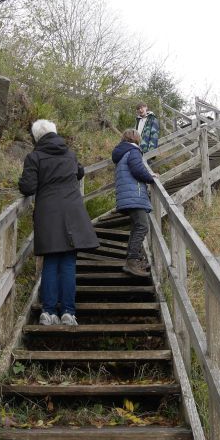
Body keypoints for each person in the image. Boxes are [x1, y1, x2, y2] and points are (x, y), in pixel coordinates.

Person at [19, 119, 99, 325]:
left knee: (51, 262)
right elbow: (80, 172)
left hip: (49, 215)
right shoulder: (70, 154)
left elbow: (27, 187)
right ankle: (68, 313)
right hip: (73, 214)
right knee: (68, 263)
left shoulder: (34, 157)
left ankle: (48, 311)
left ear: (36, 137)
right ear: (55, 133)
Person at [112, 129, 157, 278]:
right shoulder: (133, 151)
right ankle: (131, 262)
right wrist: (150, 177)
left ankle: (134, 260)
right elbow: (137, 170)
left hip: (127, 195)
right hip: (134, 195)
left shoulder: (122, 152)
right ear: (136, 139)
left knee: (137, 227)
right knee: (142, 226)